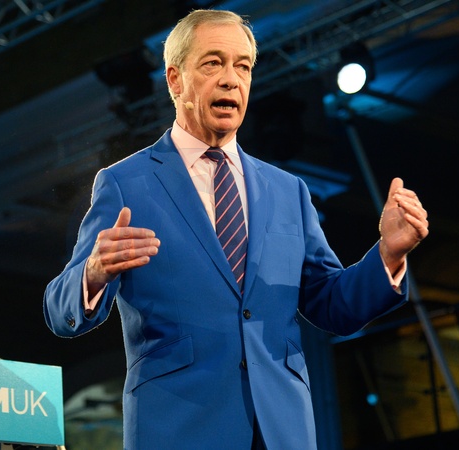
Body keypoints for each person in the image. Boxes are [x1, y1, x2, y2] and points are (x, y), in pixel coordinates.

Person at [44, 9, 428, 450]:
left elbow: (331, 305)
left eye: (242, 66)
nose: (231, 80)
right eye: (213, 63)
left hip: (281, 430)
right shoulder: (125, 184)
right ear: (175, 80)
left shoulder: (288, 191)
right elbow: (58, 310)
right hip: (179, 429)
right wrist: (93, 272)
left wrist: (388, 256)